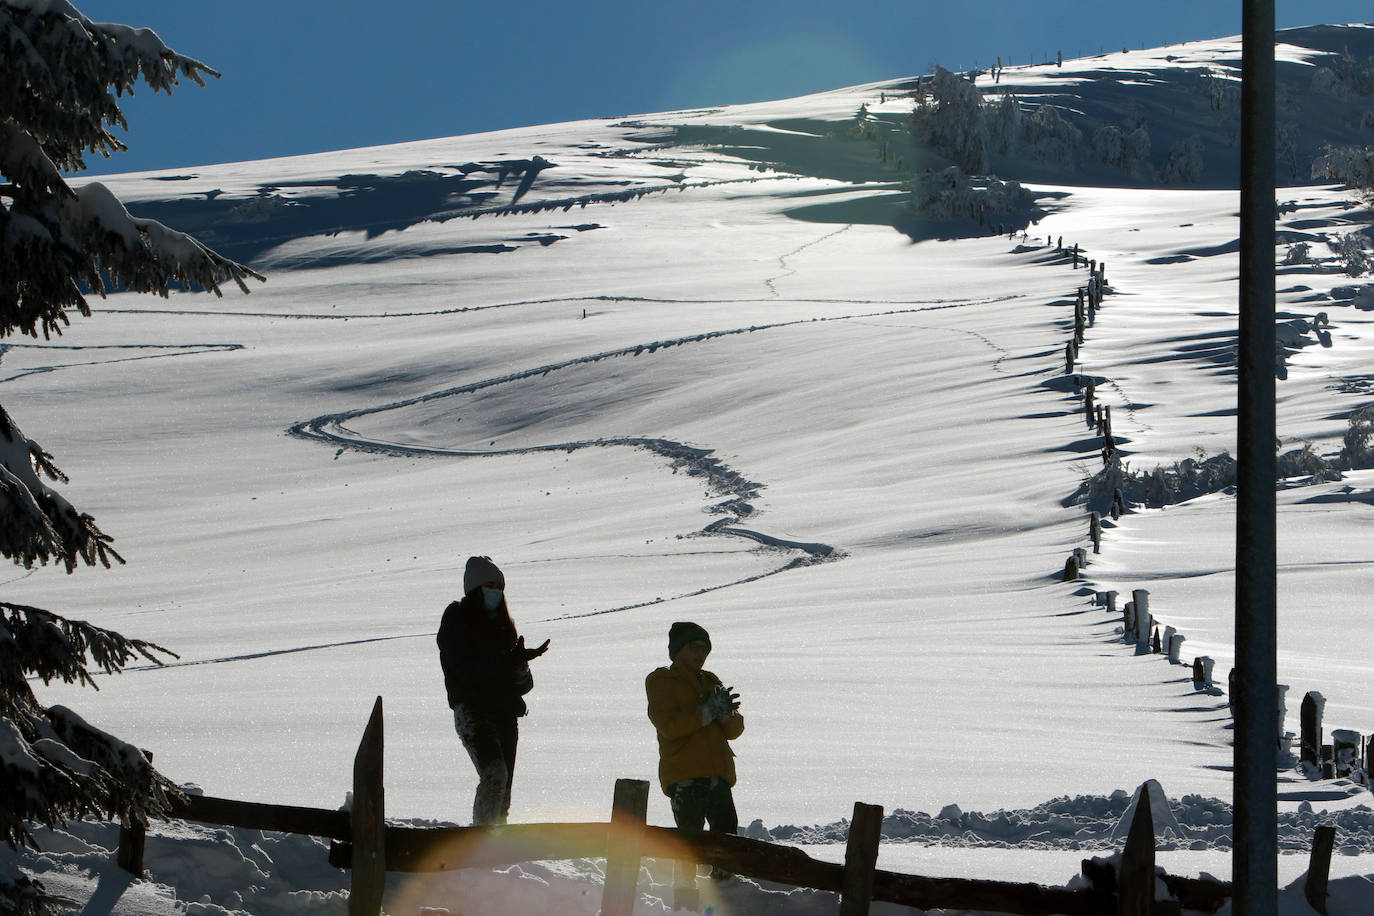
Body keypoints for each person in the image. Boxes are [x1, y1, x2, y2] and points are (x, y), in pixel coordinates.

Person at [437, 555, 549, 826]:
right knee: (495, 774)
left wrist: (520, 665)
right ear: (475, 589)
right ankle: (481, 835)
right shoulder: (456, 619)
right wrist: (508, 661)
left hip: (505, 713)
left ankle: (496, 839)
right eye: (490, 586)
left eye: (499, 587)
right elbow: (467, 671)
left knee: (504, 787)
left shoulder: (504, 627)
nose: (496, 592)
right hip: (473, 711)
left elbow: (523, 686)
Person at [645, 621, 744, 882]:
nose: (701, 654)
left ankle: (726, 893)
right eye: (695, 647)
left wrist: (726, 714)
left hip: (718, 776)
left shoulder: (711, 681)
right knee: (688, 847)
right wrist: (706, 712)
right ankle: (684, 897)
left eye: (705, 649)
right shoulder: (661, 681)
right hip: (685, 777)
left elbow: (734, 730)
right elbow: (669, 726)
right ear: (678, 650)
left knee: (727, 844)